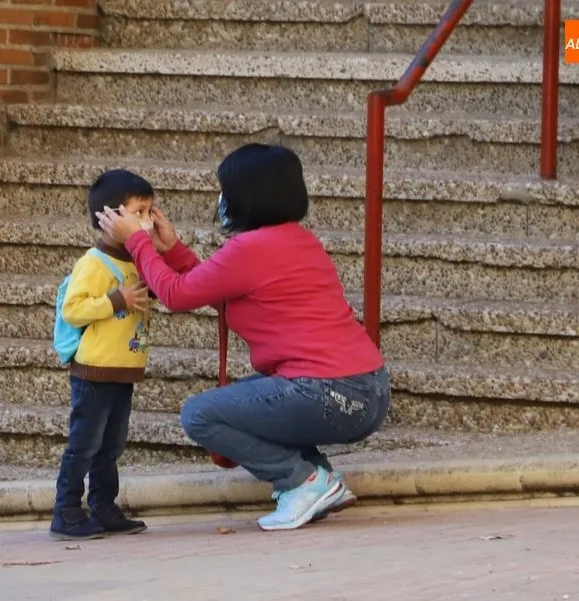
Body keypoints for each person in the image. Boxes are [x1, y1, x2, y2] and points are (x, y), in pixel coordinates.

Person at [96, 143, 391, 532]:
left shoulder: (250, 248)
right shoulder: (297, 239)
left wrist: (138, 242)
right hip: (366, 390)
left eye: (225, 190)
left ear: (245, 195)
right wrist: (173, 251)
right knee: (248, 401)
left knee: (200, 414)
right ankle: (318, 479)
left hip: (331, 393)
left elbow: (175, 294)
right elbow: (217, 287)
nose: (222, 200)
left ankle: (302, 481)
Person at [50, 169, 156, 541]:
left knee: (111, 446)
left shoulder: (137, 260)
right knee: (85, 443)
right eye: (139, 212)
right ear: (109, 217)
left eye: (149, 211)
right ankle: (66, 510)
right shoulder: (93, 263)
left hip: (123, 371)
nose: (146, 221)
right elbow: (73, 309)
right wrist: (116, 300)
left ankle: (104, 506)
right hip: (95, 371)